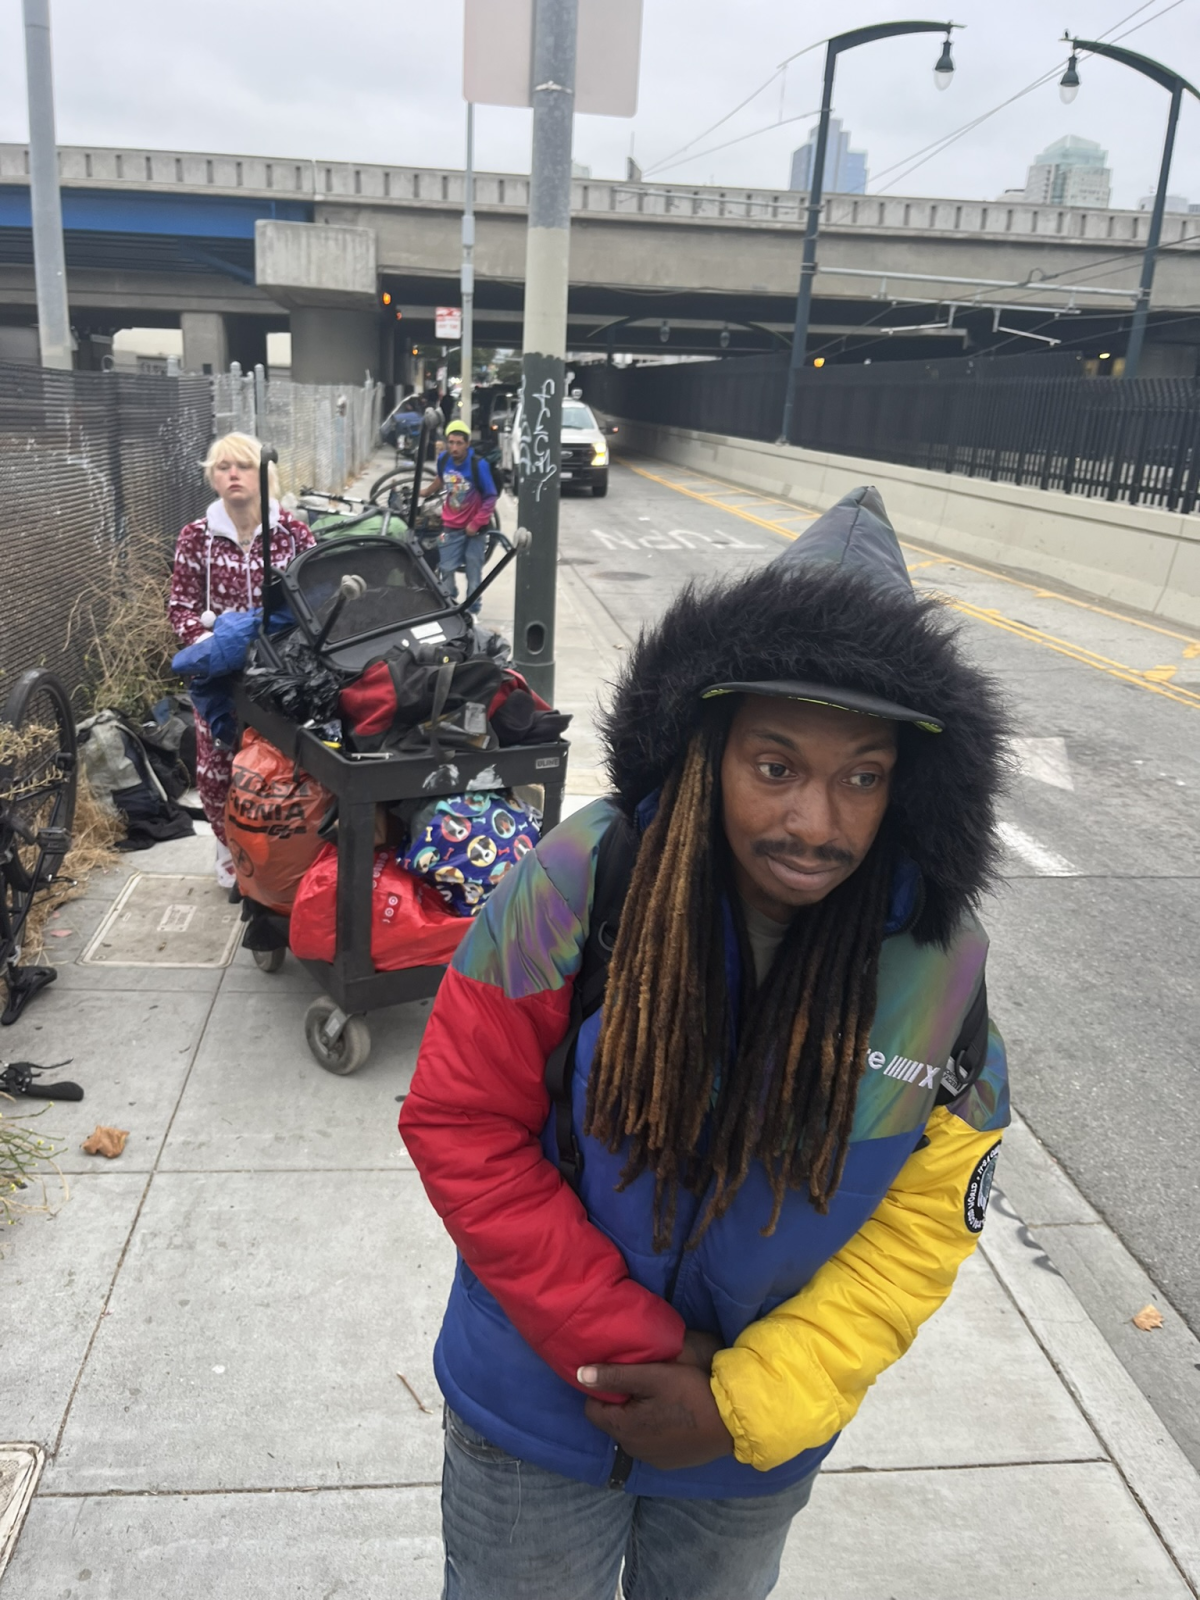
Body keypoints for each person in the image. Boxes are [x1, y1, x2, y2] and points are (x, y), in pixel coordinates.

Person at [400, 486, 1012, 1600]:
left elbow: (924, 1226)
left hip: (746, 1457)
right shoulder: (581, 883)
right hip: (539, 1415)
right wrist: (628, 1344)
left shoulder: (935, 973)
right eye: (776, 766)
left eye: (861, 776)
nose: (816, 822)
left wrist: (742, 1403)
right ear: (708, 748)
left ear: (908, 784)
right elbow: (459, 1115)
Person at [168, 432, 313, 887]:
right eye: (223, 466)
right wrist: (212, 646)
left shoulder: (292, 532)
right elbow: (181, 606)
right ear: (212, 477)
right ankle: (231, 851)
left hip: (279, 673)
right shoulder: (196, 537)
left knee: (277, 767)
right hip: (219, 675)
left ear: (264, 474)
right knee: (215, 772)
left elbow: (313, 600)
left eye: (243, 465)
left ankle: (281, 859)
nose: (233, 473)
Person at [422, 419, 498, 615]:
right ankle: (450, 605)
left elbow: (491, 496)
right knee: (446, 569)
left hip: (475, 530)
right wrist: (425, 491)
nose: (454, 447)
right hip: (450, 526)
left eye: (459, 443)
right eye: (451, 442)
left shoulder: (477, 465)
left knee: (473, 574)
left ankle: (473, 611)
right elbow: (441, 478)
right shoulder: (444, 460)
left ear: (467, 444)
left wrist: (476, 523)